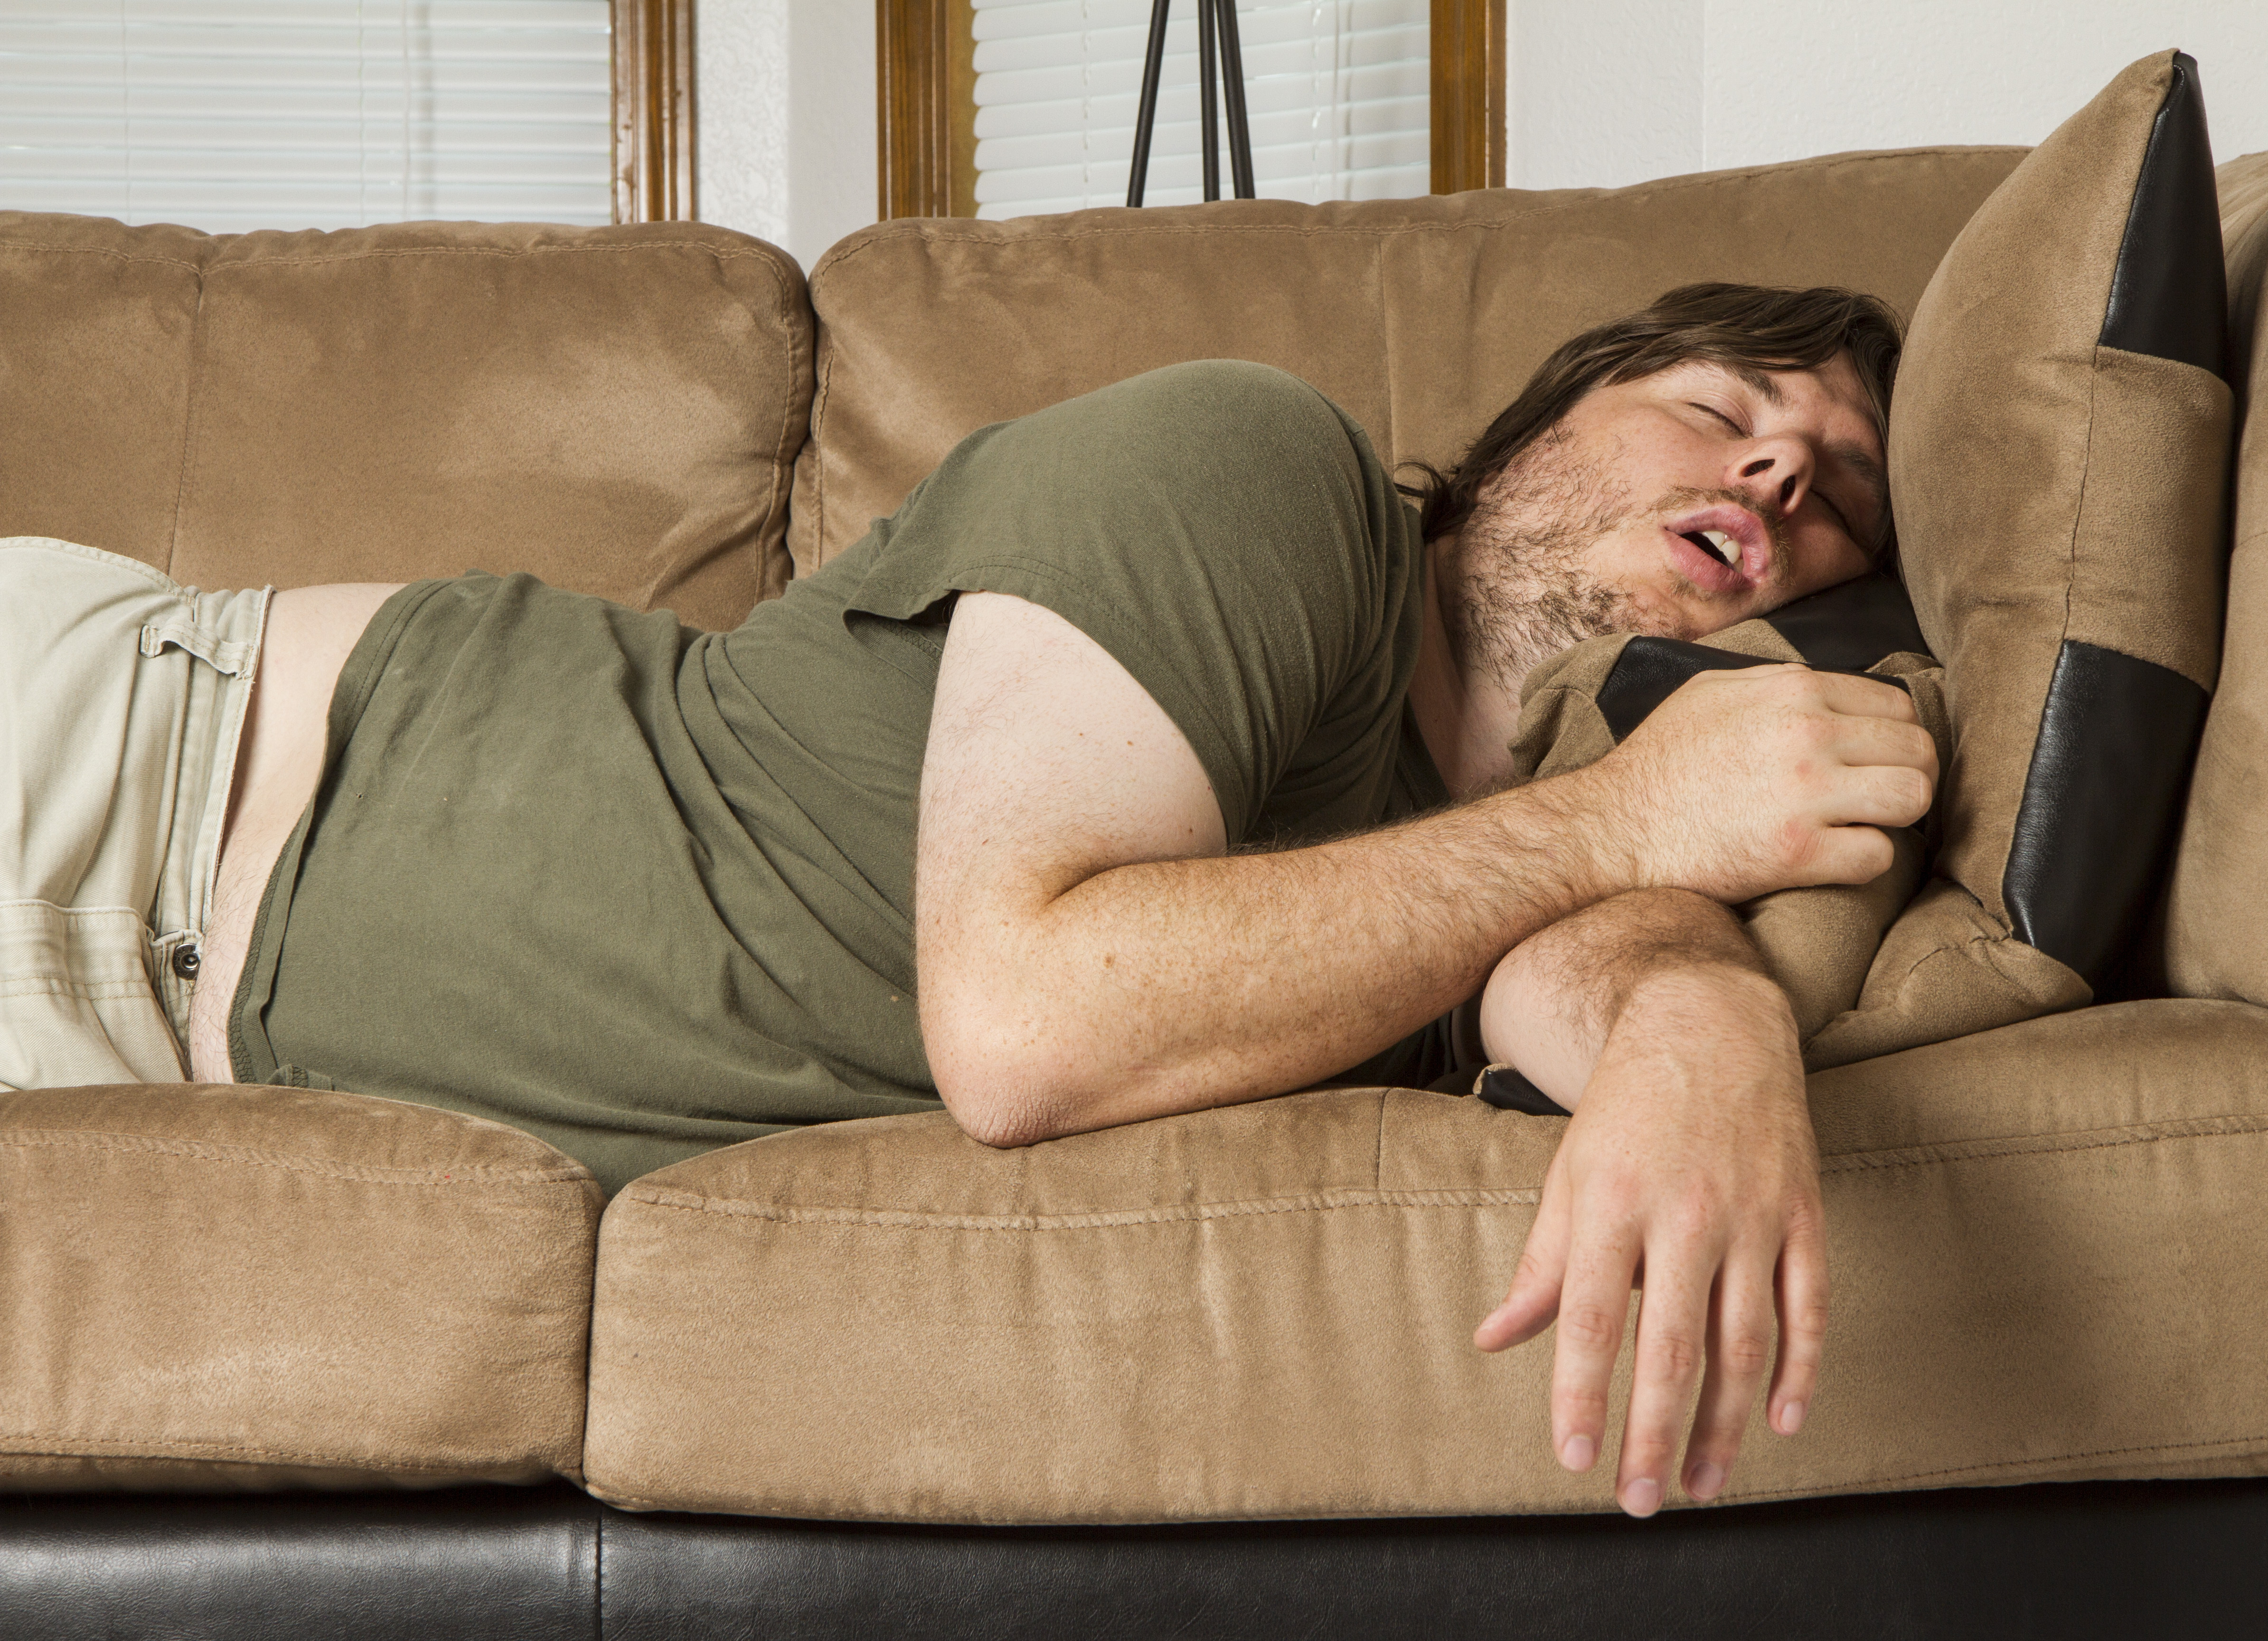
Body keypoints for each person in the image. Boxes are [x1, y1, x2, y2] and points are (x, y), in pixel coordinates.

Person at [2, 282, 1935, 1521]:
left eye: (1840, 494)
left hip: (129, 1051)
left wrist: (1711, 1014)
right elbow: (1025, 1020)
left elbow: (1595, 938)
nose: (1778, 462)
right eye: (1720, 403)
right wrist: (1622, 823)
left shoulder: (1465, 885)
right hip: (122, 764)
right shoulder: (1268, 480)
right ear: (1545, 422)